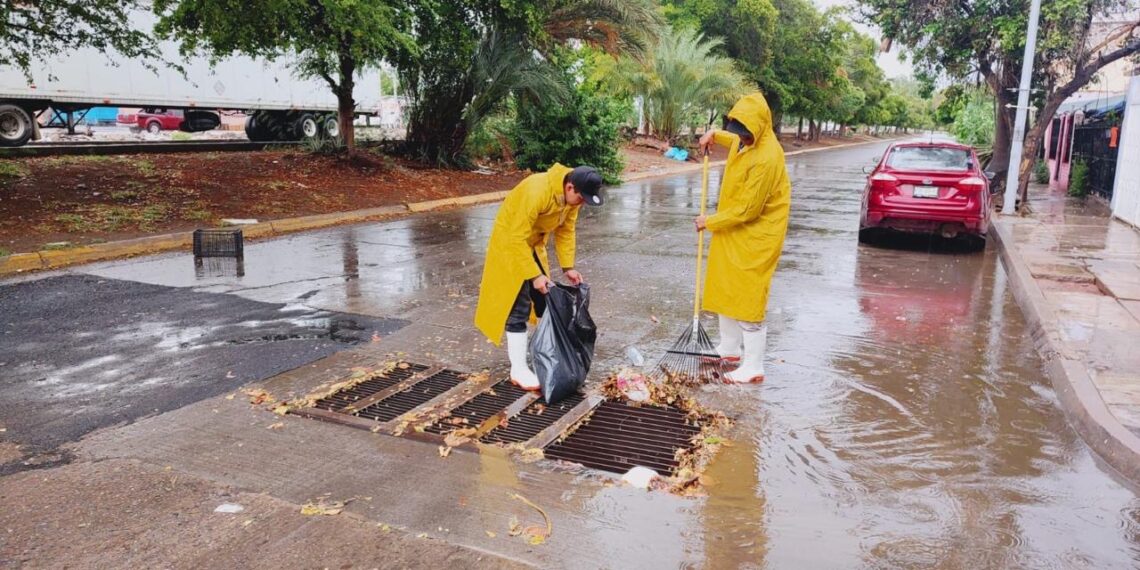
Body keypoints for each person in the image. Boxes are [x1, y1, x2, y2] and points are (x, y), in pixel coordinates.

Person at [474, 164, 605, 390]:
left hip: (532, 245)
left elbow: (566, 230)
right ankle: (518, 369)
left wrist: (567, 267)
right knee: (518, 304)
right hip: (510, 243)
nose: (582, 203)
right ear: (570, 187)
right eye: (581, 198)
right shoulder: (537, 191)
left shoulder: (572, 196)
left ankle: (547, 353)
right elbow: (516, 237)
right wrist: (534, 275)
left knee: (545, 300)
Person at [695, 92, 791, 383]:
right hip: (733, 228)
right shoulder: (749, 138)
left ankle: (754, 365)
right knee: (727, 285)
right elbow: (735, 139)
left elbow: (749, 210)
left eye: (746, 135)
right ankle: (729, 348)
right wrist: (715, 133)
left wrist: (709, 221)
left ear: (760, 128)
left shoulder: (766, 159)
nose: (742, 139)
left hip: (756, 232)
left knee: (748, 294)